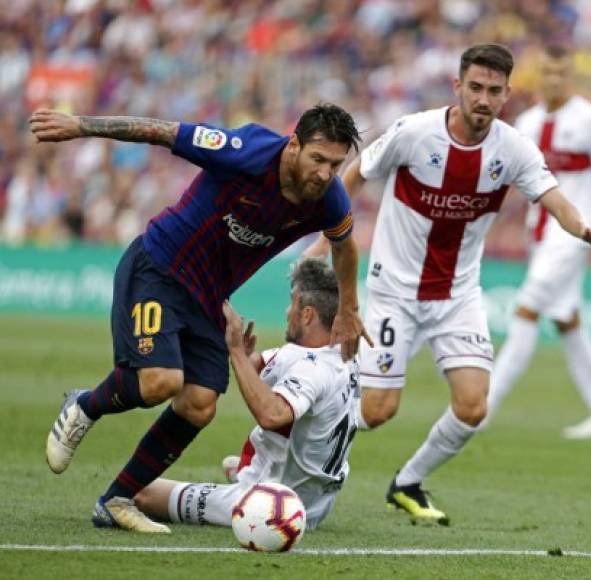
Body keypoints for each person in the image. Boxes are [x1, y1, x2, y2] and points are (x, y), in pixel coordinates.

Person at [307, 44, 591, 525]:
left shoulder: (512, 149)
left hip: (457, 297)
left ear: (508, 93)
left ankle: (407, 482)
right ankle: (281, 446)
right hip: (394, 294)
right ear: (458, 86)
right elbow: (357, 175)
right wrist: (323, 243)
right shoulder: (414, 132)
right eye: (475, 87)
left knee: (473, 407)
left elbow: (554, 197)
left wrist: (582, 228)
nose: (484, 98)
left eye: (494, 90)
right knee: (377, 410)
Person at [32, 104, 371, 533]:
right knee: (161, 381)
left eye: (336, 164)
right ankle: (84, 405)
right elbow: (161, 130)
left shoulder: (329, 198)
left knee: (199, 404)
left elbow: (344, 246)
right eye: (317, 159)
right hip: (159, 266)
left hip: (209, 297)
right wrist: (81, 124)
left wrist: (350, 308)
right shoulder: (244, 151)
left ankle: (115, 499)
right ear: (293, 146)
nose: (325, 173)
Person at [485, 45, 591, 439]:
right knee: (566, 319)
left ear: (571, 75)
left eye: (562, 72)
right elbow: (508, 182)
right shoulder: (526, 122)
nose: (555, 79)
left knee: (526, 310)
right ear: (538, 76)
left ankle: (482, 407)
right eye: (548, 72)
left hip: (574, 234)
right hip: (538, 233)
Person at [134, 259, 359, 531]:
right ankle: (244, 469)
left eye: (292, 304)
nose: (287, 312)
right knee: (244, 458)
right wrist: (241, 354)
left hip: (274, 505)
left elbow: (272, 415)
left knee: (140, 492)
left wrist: (237, 352)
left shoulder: (311, 369)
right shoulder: (339, 357)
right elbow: (256, 368)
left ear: (308, 315)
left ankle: (245, 479)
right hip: (316, 503)